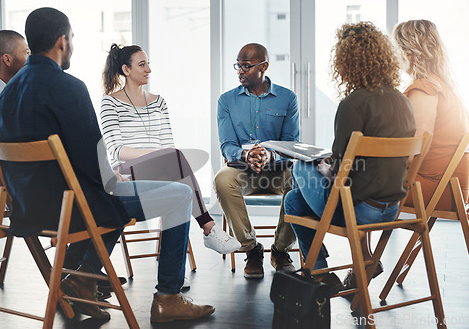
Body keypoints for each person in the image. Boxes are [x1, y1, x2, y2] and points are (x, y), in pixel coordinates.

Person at [0, 7, 214, 323]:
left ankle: (84, 278)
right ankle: (168, 297)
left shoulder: (9, 93)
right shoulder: (68, 87)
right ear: (61, 42)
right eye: (71, 39)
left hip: (29, 209)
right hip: (72, 208)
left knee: (110, 194)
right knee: (178, 195)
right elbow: (93, 160)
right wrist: (115, 181)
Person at [284, 22, 416, 293]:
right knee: (293, 201)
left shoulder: (352, 104)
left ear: (346, 62)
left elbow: (340, 168)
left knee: (299, 165)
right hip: (392, 207)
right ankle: (327, 270)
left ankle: (319, 273)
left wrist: (322, 166)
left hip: (359, 212)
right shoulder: (404, 102)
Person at [100, 43, 240, 255]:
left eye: (148, 63)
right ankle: (208, 227)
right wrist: (157, 156)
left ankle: (175, 270)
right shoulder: (110, 102)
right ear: (126, 70)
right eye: (142, 64)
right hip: (127, 173)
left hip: (162, 167)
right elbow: (116, 150)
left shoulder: (159, 102)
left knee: (177, 175)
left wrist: (162, 156)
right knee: (172, 160)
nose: (149, 69)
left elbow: (167, 145)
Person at [213, 43, 299, 279]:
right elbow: (227, 145)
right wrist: (246, 155)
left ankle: (280, 250)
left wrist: (270, 155)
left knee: (301, 181)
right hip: (243, 169)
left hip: (278, 168)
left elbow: (292, 144)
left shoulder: (287, 98)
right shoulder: (226, 101)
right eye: (238, 66)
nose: (240, 71)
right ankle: (252, 249)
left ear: (264, 66)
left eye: (246, 66)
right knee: (222, 181)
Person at [393, 20, 469, 211]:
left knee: (357, 183)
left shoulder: (424, 90)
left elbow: (414, 153)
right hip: (451, 188)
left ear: (408, 52)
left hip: (432, 190)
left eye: (396, 48)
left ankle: (348, 237)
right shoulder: (445, 87)